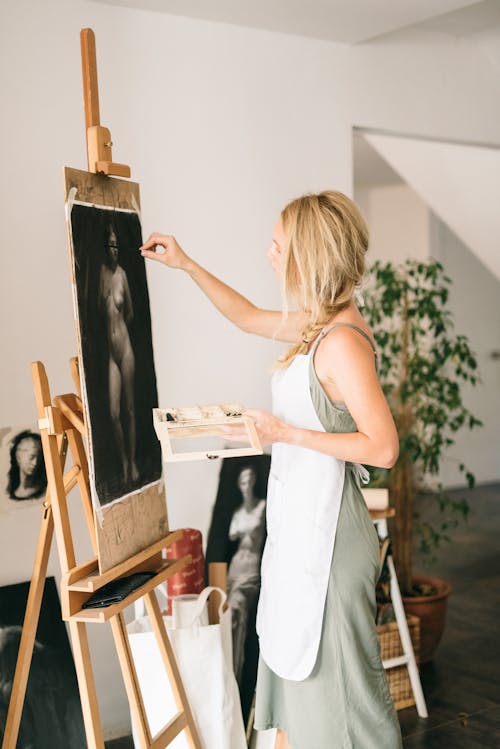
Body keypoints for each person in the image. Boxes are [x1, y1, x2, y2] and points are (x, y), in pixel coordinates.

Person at [140, 190, 403, 748]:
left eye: (278, 245)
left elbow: (383, 448)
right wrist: (185, 264)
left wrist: (284, 434)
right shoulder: (319, 322)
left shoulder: (341, 343)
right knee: (292, 695)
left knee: (341, 709)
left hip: (331, 544)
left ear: (307, 254)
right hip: (301, 532)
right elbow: (246, 318)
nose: (268, 253)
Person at [99, 223, 139, 485]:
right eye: (110, 246)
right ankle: (123, 459)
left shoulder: (122, 275)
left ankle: (133, 463)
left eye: (117, 246)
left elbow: (131, 312)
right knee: (113, 414)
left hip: (124, 348)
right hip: (110, 352)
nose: (114, 250)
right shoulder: (101, 274)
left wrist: (119, 327)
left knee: (130, 408)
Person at [226, 465, 266, 686]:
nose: (246, 485)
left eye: (250, 480)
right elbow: (233, 535)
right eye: (243, 481)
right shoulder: (238, 513)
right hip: (235, 569)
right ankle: (232, 673)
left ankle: (238, 674)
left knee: (239, 615)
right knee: (231, 619)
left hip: (251, 568)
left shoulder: (262, 507)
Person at [7, 430, 46, 501]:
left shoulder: (44, 490)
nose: (35, 463)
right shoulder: (11, 493)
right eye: (31, 457)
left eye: (39, 458)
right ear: (18, 458)